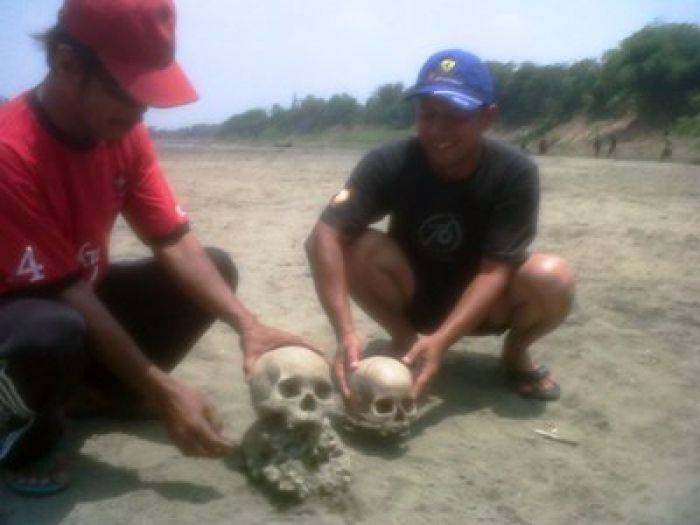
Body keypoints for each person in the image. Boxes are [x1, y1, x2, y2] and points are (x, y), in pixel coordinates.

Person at [0, 0, 308, 495]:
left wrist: (248, 325)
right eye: (127, 92)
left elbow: (173, 240)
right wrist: (162, 389)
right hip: (23, 315)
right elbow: (66, 294)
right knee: (50, 331)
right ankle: (26, 429)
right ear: (67, 62)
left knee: (215, 269)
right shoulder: (10, 150)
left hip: (74, 294)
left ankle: (91, 394)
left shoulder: (123, 132)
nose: (141, 111)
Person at [306, 49, 574, 408]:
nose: (437, 130)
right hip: (415, 296)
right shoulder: (390, 161)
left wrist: (443, 341)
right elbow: (322, 237)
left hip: (485, 306)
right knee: (352, 244)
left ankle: (514, 353)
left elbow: (496, 270)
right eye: (428, 114)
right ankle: (404, 339)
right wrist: (345, 332)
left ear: (487, 118)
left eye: (455, 116)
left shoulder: (515, 172)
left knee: (552, 277)